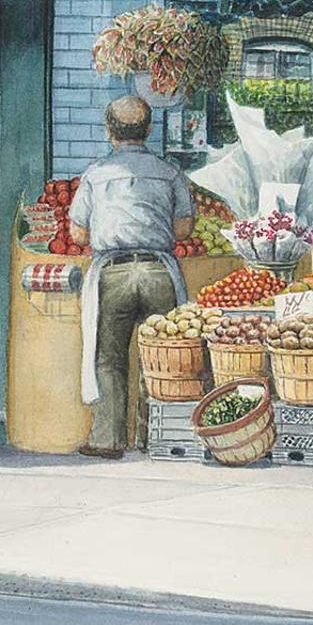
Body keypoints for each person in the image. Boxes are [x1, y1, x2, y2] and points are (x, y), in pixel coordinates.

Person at [68, 95, 194, 460]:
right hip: (159, 271)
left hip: (114, 272)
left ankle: (108, 439)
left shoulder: (95, 174)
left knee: (109, 359)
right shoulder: (170, 171)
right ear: (150, 130)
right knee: (161, 356)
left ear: (109, 132)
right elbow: (184, 228)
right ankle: (154, 436)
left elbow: (78, 234)